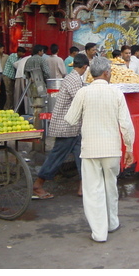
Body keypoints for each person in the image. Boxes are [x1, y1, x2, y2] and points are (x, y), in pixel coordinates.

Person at [64, 56, 135, 243]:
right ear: (106, 73)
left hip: (90, 150)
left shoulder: (83, 93)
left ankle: (99, 232)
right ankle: (112, 223)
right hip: (112, 149)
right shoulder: (116, 93)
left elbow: (70, 119)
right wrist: (129, 148)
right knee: (110, 186)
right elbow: (126, 124)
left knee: (93, 191)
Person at [32, 54, 90, 199]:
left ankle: (83, 188)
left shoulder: (72, 77)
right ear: (84, 67)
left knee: (82, 156)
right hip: (67, 126)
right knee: (57, 156)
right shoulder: (74, 79)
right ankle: (38, 185)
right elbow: (80, 100)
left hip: (74, 127)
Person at [2, 46, 26, 110]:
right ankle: (7, 108)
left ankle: (11, 107)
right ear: (19, 52)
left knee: (12, 94)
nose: (23, 55)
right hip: (7, 76)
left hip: (12, 77)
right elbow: (16, 65)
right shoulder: (12, 56)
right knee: (9, 93)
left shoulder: (20, 58)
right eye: (22, 53)